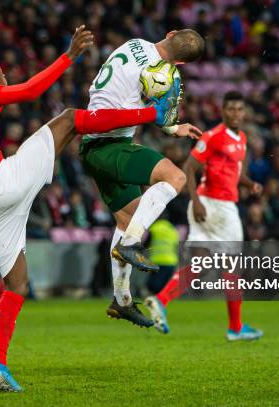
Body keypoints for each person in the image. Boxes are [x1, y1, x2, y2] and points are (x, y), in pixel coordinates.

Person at [0, 25, 181, 392]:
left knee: (17, 285)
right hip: (0, 182)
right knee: (70, 118)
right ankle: (150, 116)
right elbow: (33, 90)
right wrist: (69, 56)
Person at [79, 30, 205, 327]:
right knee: (174, 178)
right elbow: (157, 110)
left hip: (91, 144)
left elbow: (148, 110)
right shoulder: (162, 72)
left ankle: (121, 300)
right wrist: (166, 115)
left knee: (128, 217)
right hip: (111, 145)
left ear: (170, 33)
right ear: (183, 65)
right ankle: (132, 243)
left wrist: (174, 128)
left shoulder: (132, 43)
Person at [144, 91, 264, 341]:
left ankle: (161, 300)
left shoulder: (240, 139)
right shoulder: (213, 137)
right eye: (230, 109)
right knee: (233, 268)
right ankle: (236, 327)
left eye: (239, 109)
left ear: (244, 112)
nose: (235, 113)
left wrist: (249, 183)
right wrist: (196, 201)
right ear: (223, 111)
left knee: (198, 265)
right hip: (216, 206)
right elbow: (189, 166)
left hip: (216, 205)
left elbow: (234, 171)